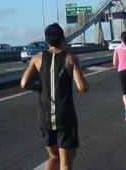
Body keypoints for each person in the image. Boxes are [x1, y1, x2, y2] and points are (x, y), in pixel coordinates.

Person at [21, 23, 89, 170]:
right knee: (65, 163)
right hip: (65, 117)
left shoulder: (37, 59)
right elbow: (82, 87)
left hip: (45, 118)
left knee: (53, 157)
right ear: (63, 38)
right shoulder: (71, 59)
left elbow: (24, 83)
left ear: (46, 41)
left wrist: (39, 86)